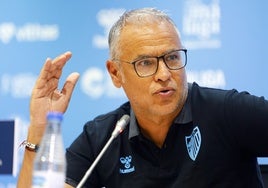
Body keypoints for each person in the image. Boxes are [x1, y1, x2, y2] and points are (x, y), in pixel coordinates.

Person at [17, 7, 268, 188]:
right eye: (146, 63)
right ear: (115, 73)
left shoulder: (226, 112)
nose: (164, 74)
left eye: (172, 58)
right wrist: (39, 127)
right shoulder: (103, 138)